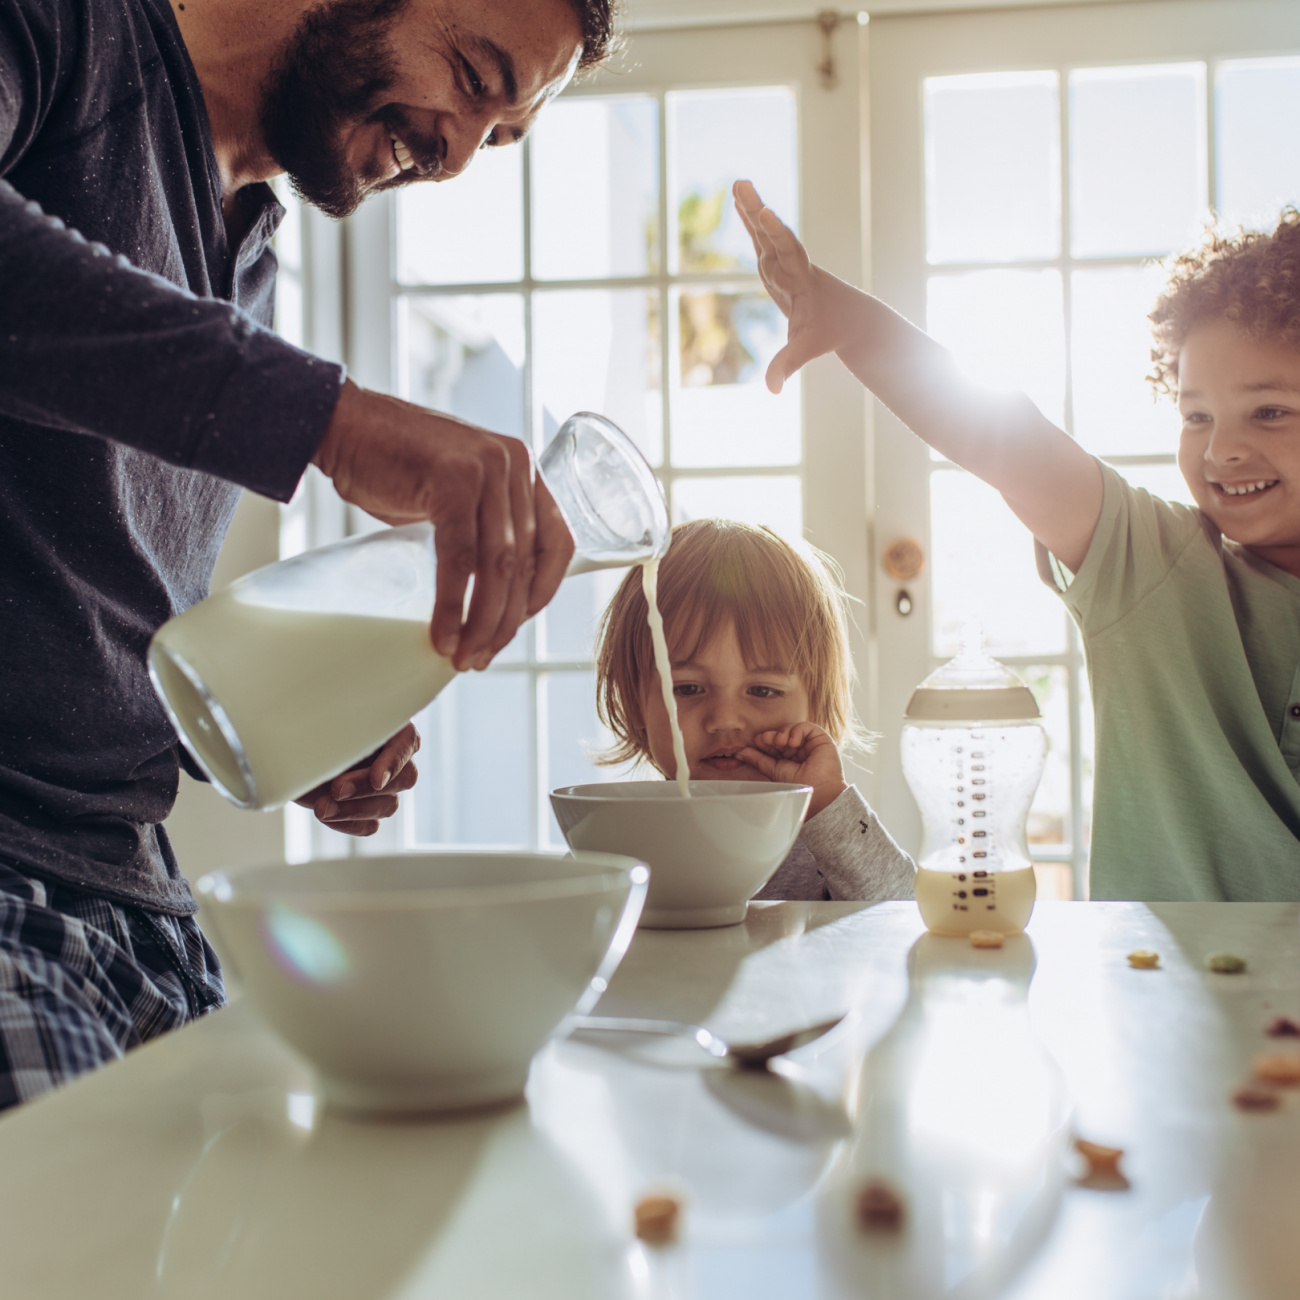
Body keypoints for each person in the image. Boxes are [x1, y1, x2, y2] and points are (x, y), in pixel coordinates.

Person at [0, 0, 614, 1108]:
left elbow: (100, 620)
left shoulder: (250, 260)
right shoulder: (70, 37)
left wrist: (298, 723)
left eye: (505, 134)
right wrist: (329, 420)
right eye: (473, 79)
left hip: (136, 909)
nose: (457, 157)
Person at [733, 179, 1300, 902]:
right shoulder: (1156, 566)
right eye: (1196, 417)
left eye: (1271, 412)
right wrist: (854, 326)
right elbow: (1004, 437)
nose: (1222, 450)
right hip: (1168, 995)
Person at [594, 519, 915, 903]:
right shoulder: (615, 834)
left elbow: (902, 915)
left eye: (762, 690)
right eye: (688, 688)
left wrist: (828, 803)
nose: (725, 719)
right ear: (635, 703)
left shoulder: (825, 837)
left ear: (816, 701)